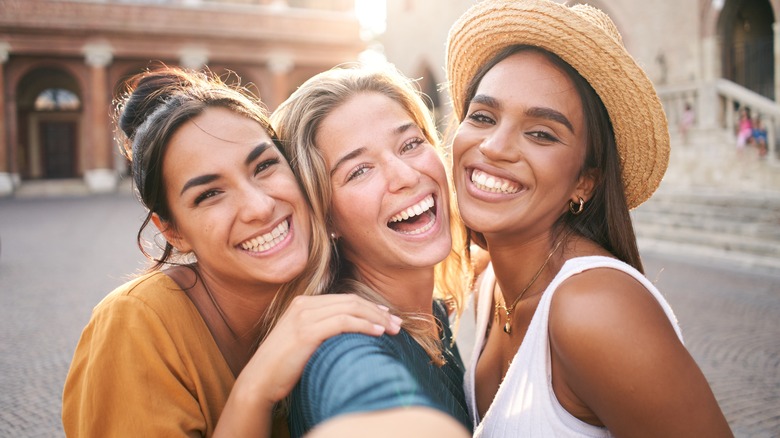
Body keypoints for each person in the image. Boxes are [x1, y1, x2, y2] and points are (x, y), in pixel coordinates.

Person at [62, 67, 402, 437]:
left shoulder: (336, 282)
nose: (258, 207)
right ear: (173, 232)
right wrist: (255, 389)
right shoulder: (135, 325)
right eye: (209, 194)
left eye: (264, 166)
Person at [445, 1, 733, 436]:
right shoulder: (491, 283)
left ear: (586, 182)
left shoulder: (594, 309)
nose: (494, 147)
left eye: (542, 133)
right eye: (483, 117)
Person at [270, 64, 472, 437]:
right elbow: (363, 390)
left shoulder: (434, 313)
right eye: (359, 170)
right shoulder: (342, 344)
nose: (406, 176)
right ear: (326, 218)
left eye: (411, 144)